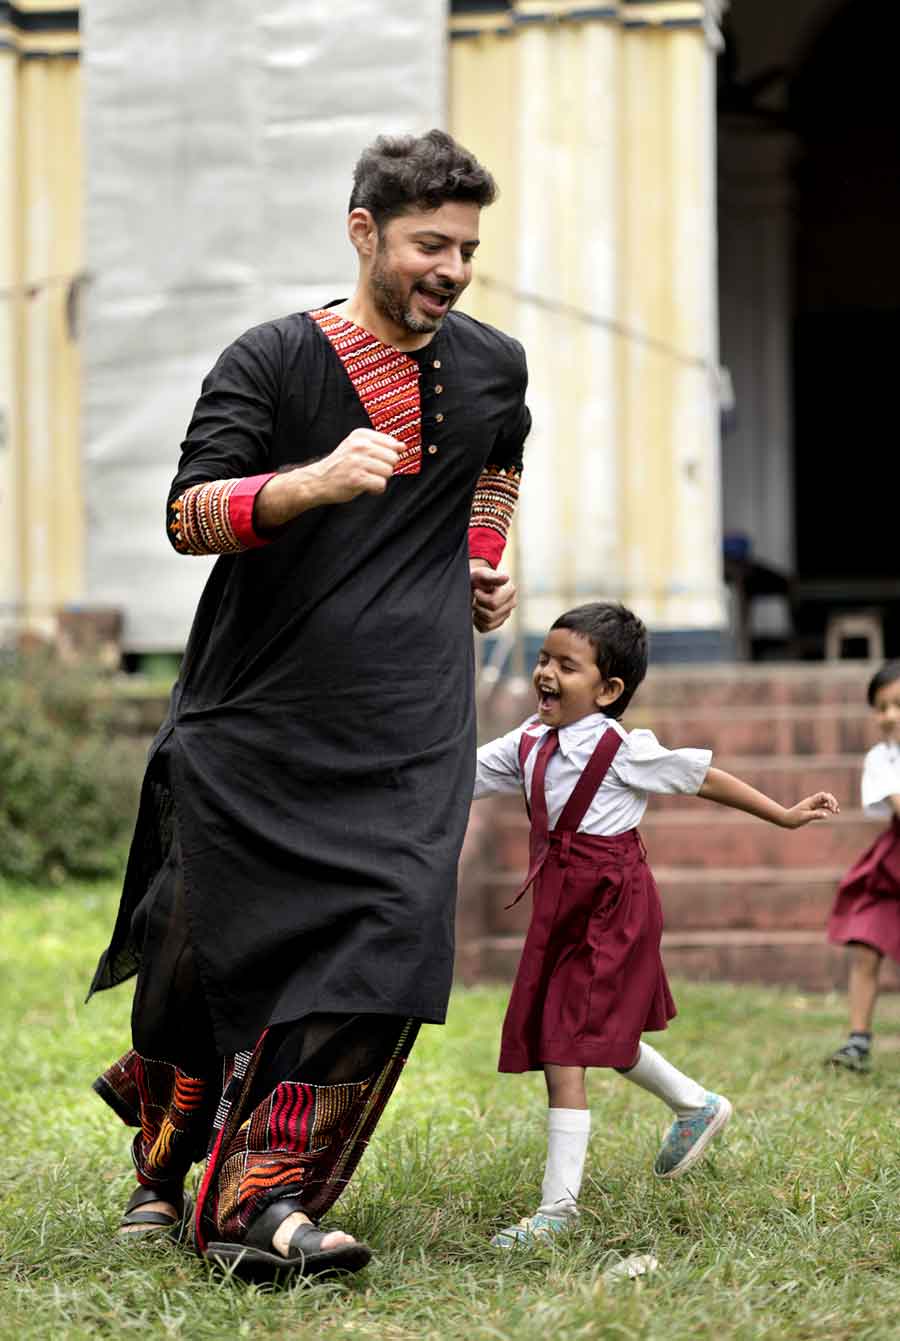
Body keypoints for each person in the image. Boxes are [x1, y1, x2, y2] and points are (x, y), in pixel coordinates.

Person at [87, 129, 531, 1279]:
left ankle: (262, 1196)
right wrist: (310, 482)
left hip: (412, 719)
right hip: (256, 717)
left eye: (468, 248)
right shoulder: (271, 360)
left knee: (388, 937)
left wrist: (485, 561)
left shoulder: (493, 366)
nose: (453, 268)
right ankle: (166, 1145)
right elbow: (188, 514)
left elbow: (496, 464)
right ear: (363, 232)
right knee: (200, 960)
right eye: (430, 243)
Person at [473, 602, 840, 1247]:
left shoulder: (623, 750)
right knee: (593, 1029)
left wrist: (783, 814)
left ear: (610, 690)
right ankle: (697, 1105)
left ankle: (557, 1211)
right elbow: (461, 776)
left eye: (567, 666)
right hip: (561, 905)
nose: (546, 675)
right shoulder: (527, 741)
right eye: (542, 659)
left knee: (566, 1041)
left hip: (613, 907)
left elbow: (703, 778)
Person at [826, 660, 900, 1073]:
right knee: (866, 941)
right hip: (893, 865)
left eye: (898, 705)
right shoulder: (881, 759)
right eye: (881, 707)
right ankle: (858, 1039)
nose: (889, 716)